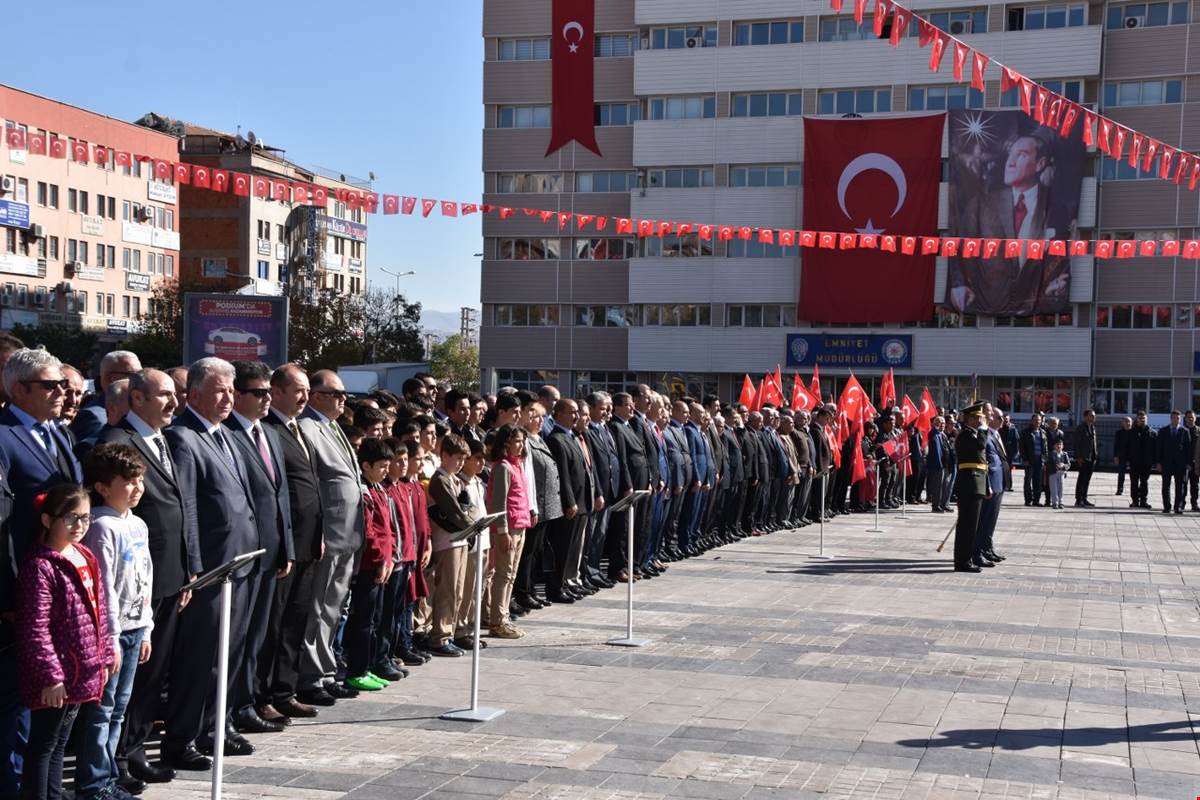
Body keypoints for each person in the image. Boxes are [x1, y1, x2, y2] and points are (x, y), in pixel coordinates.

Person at [98, 369, 195, 787]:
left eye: (176, 395)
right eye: (164, 395)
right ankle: (113, 762)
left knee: (151, 673)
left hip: (168, 573)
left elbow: (178, 504)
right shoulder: (117, 442)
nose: (175, 403)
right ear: (137, 399)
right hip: (133, 581)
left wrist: (188, 564)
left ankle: (134, 749)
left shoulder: (162, 439)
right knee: (126, 684)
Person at [162, 357, 261, 767]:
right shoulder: (184, 438)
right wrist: (194, 565)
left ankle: (215, 728)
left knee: (230, 652)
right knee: (201, 656)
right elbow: (187, 506)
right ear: (195, 393)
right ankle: (181, 738)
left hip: (240, 564)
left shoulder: (226, 436)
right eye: (219, 390)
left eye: (231, 390)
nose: (228, 398)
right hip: (211, 570)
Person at [0, 349, 82, 793]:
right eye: (49, 385)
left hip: (60, 590)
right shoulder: (4, 437)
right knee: (16, 704)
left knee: (50, 704)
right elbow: (3, 525)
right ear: (18, 390)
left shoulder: (59, 435)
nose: (62, 392)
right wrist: (9, 596)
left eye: (62, 384)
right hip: (24, 593)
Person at [17, 484, 114, 800]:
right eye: (71, 518)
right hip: (56, 676)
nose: (81, 526)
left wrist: (105, 652)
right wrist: (51, 676)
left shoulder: (84, 554)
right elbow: (35, 629)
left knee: (60, 742)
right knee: (44, 744)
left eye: (85, 518)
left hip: (81, 671)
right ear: (47, 520)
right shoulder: (41, 566)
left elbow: (98, 609)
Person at [76, 443, 152, 800]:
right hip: (113, 633)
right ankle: (93, 784)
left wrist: (146, 626)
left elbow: (145, 578)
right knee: (101, 710)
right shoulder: (101, 525)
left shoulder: (137, 523)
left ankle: (108, 777)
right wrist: (110, 637)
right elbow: (103, 586)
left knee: (118, 709)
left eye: (140, 480)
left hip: (136, 627)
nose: (137, 488)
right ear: (103, 486)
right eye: (128, 481)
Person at [223, 362, 294, 734]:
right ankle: (233, 708)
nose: (267, 398)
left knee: (257, 637)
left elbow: (281, 496)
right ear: (237, 394)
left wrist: (287, 547)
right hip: (243, 556)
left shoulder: (268, 433)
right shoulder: (228, 434)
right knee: (235, 639)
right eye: (259, 392)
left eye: (269, 391)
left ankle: (247, 702)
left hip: (271, 552)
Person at [951, 132, 1074, 316]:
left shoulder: (1057, 209)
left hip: (1036, 313)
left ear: (1040, 164)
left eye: (1022, 154)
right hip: (987, 308)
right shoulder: (980, 205)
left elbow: (1061, 260)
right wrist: (959, 286)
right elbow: (957, 249)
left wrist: (1055, 287)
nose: (1011, 162)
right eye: (1011, 154)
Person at [297, 370, 364, 707]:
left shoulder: (332, 426)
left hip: (348, 533)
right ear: (316, 395)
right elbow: (312, 489)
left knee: (334, 608)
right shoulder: (308, 428)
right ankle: (311, 675)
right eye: (336, 393)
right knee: (318, 608)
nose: (343, 399)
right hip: (328, 534)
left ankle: (325, 670)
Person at [342, 438, 395, 691]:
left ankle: (370, 666)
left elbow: (388, 528)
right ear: (365, 465)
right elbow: (370, 532)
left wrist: (390, 556)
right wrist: (379, 559)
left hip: (383, 564)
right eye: (382, 466)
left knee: (375, 619)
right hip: (369, 566)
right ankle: (356, 670)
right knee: (363, 620)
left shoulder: (379, 489)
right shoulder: (364, 491)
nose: (387, 470)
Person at [426, 434, 476, 656]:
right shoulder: (439, 480)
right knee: (447, 589)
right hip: (447, 541)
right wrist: (473, 527)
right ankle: (440, 636)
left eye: (463, 459)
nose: (460, 463)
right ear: (444, 455)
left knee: (458, 589)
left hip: (460, 539)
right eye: (457, 458)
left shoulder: (455, 479)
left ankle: (450, 630)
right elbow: (453, 512)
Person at [485, 424, 530, 639]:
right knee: (503, 574)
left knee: (510, 574)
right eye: (517, 441)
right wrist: (502, 531)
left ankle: (503, 615)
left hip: (520, 524)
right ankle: (497, 621)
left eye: (522, 441)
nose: (521, 445)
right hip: (507, 528)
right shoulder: (502, 466)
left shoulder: (517, 465)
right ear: (506, 443)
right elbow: (498, 502)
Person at [452, 438, 489, 650]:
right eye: (477, 459)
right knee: (466, 589)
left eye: (484, 459)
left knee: (478, 588)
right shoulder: (460, 482)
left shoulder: (478, 481)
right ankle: (460, 629)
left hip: (484, 541)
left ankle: (470, 626)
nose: (481, 463)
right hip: (471, 542)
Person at [70, 351, 142, 447]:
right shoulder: (94, 416)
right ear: (111, 378)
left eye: (141, 374)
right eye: (134, 375)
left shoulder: (133, 411)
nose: (140, 381)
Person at [952, 403, 990, 573]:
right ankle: (962, 562)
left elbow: (982, 463)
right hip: (969, 484)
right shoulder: (966, 435)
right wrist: (983, 429)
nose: (981, 420)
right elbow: (981, 446)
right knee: (967, 526)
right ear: (970, 419)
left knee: (971, 526)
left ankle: (965, 560)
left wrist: (986, 485)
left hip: (976, 483)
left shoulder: (973, 435)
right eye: (978, 418)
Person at [1156, 409, 1192, 515]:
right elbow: (1159, 448)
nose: (1177, 420)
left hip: (1180, 464)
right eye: (1174, 418)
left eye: (1178, 418)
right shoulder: (1163, 431)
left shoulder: (1185, 431)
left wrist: (1188, 463)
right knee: (1165, 485)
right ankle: (1167, 506)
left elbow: (1188, 449)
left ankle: (1178, 507)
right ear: (1171, 418)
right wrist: (1158, 462)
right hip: (1166, 463)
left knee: (1179, 486)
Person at [1125, 411, 1156, 510]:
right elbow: (1127, 447)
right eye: (1140, 418)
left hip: (1147, 462)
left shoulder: (1152, 433)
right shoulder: (1131, 432)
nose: (1142, 420)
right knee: (1134, 482)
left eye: (1144, 419)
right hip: (1134, 462)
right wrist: (1126, 459)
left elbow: (1156, 448)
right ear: (1136, 419)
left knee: (1144, 482)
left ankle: (1143, 501)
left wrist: (1155, 460)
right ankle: (1135, 501)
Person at [1019, 413, 1047, 506]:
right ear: (1031, 421)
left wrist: (1044, 459)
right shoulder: (1025, 432)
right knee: (1028, 481)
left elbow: (1045, 448)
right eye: (1035, 420)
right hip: (1029, 460)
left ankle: (1036, 500)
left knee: (1038, 481)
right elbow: (1021, 447)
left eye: (1039, 420)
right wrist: (1025, 459)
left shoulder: (1043, 432)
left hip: (1040, 460)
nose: (1037, 422)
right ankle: (1028, 500)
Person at [1071, 409, 1098, 507]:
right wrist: (1078, 457)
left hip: (1092, 457)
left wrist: (1095, 455)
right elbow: (1076, 443)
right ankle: (1078, 500)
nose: (1094, 417)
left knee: (1087, 479)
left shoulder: (1093, 428)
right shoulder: (1081, 428)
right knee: (1081, 479)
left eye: (1094, 415)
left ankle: (1084, 498)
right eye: (1091, 415)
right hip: (1083, 457)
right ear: (1085, 417)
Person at [926, 416, 950, 512]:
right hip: (937, 464)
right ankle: (935, 505)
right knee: (937, 486)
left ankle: (941, 503)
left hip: (944, 464)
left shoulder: (942, 434)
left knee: (943, 485)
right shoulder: (933, 433)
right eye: (940, 422)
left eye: (944, 423)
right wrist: (935, 427)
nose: (942, 425)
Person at [1047, 439, 1070, 509]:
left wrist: (1064, 466)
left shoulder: (1064, 454)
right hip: (1053, 473)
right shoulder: (1051, 454)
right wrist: (1055, 466)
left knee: (1061, 488)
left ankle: (1061, 502)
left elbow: (1068, 464)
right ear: (1054, 446)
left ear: (1062, 446)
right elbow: (1048, 464)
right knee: (1054, 489)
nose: (1059, 446)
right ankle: (1055, 503)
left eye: (1060, 445)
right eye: (1057, 445)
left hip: (1062, 473)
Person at [1113, 416, 1132, 496]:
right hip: (1122, 456)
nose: (1127, 423)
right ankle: (1120, 489)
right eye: (1126, 421)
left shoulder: (1134, 432)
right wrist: (1115, 456)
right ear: (1122, 423)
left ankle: (1134, 490)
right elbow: (1116, 446)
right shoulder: (1119, 433)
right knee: (1121, 474)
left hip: (1132, 457)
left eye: (1129, 421)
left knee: (1134, 475)